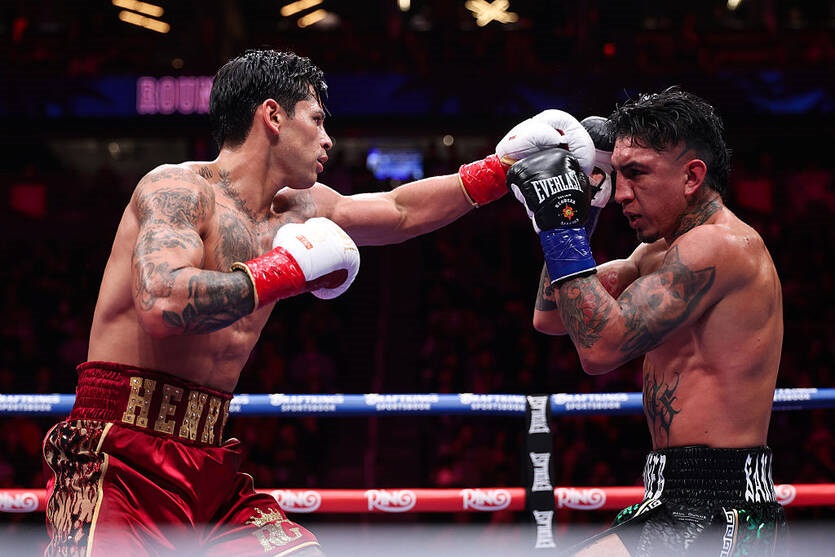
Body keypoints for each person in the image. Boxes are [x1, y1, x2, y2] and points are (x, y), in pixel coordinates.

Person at [39, 48, 594, 556]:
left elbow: (399, 211)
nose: (329, 140)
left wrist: (502, 169)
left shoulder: (301, 208)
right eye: (318, 119)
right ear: (273, 116)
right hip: (117, 455)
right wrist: (284, 271)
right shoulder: (177, 189)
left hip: (209, 458)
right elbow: (162, 302)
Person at [508, 87, 788, 555]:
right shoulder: (656, 252)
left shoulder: (718, 246)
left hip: (720, 504)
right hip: (673, 494)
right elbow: (552, 315)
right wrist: (582, 209)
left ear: (691, 176)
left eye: (636, 174)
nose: (620, 193)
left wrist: (561, 225)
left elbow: (599, 349)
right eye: (615, 176)